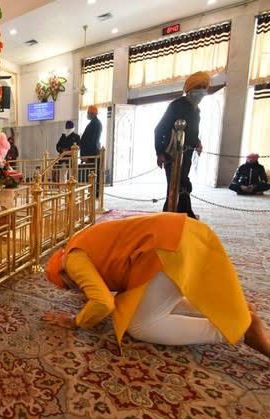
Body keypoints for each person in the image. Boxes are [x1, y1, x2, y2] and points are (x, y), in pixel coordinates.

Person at [42, 212, 270, 360]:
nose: (76, 289)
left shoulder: (72, 261)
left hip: (166, 249)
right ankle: (235, 311)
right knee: (157, 302)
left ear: (65, 274)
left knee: (140, 325)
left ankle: (238, 329)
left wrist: (75, 321)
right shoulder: (80, 242)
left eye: (71, 286)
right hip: (185, 233)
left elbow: (103, 302)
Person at [154, 71, 210, 219]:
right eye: (199, 86)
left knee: (179, 185)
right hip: (172, 153)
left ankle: (172, 216)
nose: (202, 90)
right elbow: (159, 129)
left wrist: (197, 142)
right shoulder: (176, 106)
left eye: (204, 87)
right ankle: (183, 215)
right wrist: (159, 152)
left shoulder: (196, 110)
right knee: (178, 185)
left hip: (187, 153)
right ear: (190, 88)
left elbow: (192, 131)